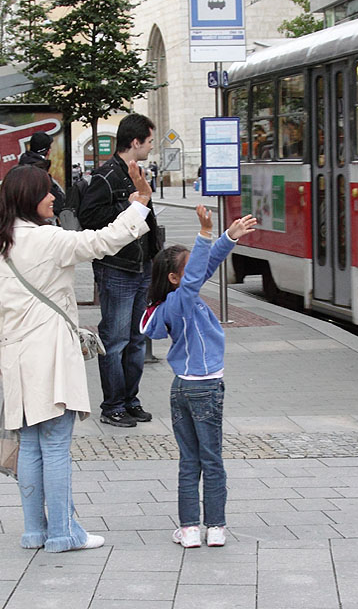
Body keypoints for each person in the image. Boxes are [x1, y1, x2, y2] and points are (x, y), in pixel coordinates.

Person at [0, 163, 153, 553]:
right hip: (50, 354)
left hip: (16, 355)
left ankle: (34, 532)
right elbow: (102, 241)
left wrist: (2, 361)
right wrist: (139, 204)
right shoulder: (49, 240)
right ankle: (62, 534)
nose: (53, 198)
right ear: (30, 197)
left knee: (29, 444)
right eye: (46, 191)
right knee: (56, 444)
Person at [139, 205, 258, 548]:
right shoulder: (181, 301)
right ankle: (216, 527)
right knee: (212, 458)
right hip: (205, 388)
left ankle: (190, 529)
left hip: (182, 388)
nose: (197, 275)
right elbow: (196, 277)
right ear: (175, 279)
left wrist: (227, 238)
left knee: (190, 460)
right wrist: (205, 233)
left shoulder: (174, 300)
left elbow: (202, 268)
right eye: (188, 271)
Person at [78, 114, 163, 428]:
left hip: (141, 267)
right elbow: (89, 216)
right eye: (150, 141)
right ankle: (112, 405)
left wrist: (155, 260)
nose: (151, 147)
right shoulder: (106, 176)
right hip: (116, 267)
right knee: (114, 341)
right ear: (136, 142)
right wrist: (126, 206)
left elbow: (148, 220)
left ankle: (131, 401)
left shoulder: (137, 173)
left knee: (137, 339)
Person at [19, 132, 66, 217]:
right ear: (48, 151)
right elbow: (57, 203)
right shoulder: (38, 171)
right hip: (38, 220)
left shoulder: (22, 167)